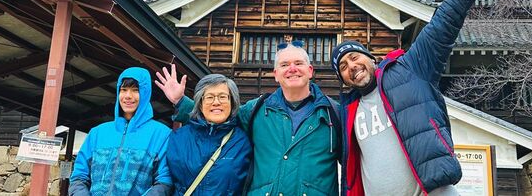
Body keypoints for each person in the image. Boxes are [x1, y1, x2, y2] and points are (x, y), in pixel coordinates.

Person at [332, 0, 504, 196]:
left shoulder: (408, 70)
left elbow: (440, 29)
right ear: (344, 80)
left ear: (371, 58)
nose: (352, 66)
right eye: (343, 67)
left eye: (355, 57)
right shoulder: (348, 111)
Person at [157, 42, 340, 196]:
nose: (292, 69)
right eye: (284, 65)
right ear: (276, 74)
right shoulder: (257, 109)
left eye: (298, 63)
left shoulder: (334, 112)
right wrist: (181, 102)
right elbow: (221, 116)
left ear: (310, 70)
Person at [70, 67, 173, 196]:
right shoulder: (97, 133)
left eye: (135, 90)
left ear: (146, 93)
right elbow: (79, 177)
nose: (128, 96)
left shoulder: (161, 134)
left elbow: (165, 182)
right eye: (123, 90)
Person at [166, 74, 252, 195]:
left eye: (222, 97)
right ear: (200, 104)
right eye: (209, 97)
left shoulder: (243, 142)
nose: (216, 102)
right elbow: (165, 180)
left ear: (232, 102)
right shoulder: (178, 137)